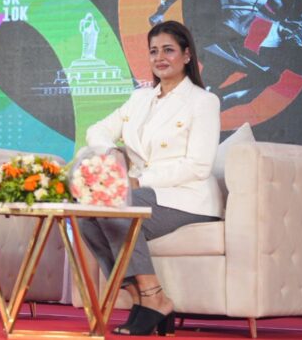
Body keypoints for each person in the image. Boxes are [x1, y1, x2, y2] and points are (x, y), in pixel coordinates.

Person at [80, 21, 222, 336]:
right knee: (84, 213)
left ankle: (153, 300)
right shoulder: (139, 99)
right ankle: (144, 298)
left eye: (168, 50)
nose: (160, 58)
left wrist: (139, 181)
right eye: (154, 51)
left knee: (119, 206)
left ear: (187, 55)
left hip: (187, 197)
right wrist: (112, 154)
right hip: (143, 194)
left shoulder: (203, 102)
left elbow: (198, 166)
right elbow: (97, 130)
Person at [149, 0, 283, 109]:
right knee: (270, 74)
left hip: (237, 42)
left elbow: (262, 11)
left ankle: (170, 103)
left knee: (204, 89)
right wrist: (160, 12)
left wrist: (284, 18)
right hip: (220, 39)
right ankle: (217, 96)